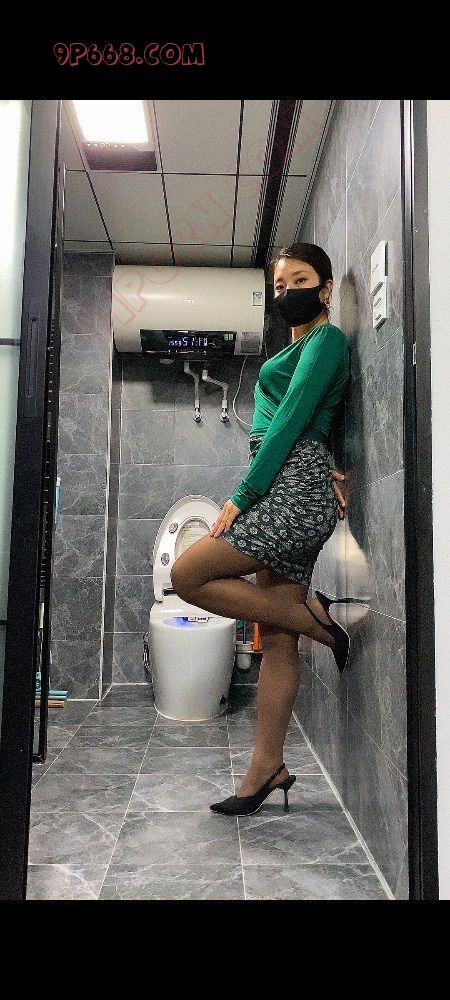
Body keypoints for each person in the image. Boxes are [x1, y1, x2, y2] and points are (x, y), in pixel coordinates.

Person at [170, 243, 350, 817]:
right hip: (290, 479)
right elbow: (319, 418)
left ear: (325, 289)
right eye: (279, 285)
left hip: (289, 487)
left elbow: (294, 419)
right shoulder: (299, 346)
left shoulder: (327, 341)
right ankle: (266, 768)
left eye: (300, 280)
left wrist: (241, 497)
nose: (287, 291)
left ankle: (319, 621)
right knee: (275, 639)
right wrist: (329, 464)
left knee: (188, 574)